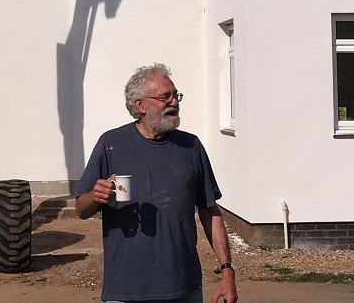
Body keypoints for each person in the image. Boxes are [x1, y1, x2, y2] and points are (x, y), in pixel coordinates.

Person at [75, 63, 238, 303]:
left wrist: (227, 271)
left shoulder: (191, 146)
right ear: (140, 105)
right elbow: (81, 208)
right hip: (126, 290)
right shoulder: (111, 144)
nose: (174, 102)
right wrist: (94, 196)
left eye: (176, 95)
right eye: (165, 97)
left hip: (183, 288)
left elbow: (209, 211)